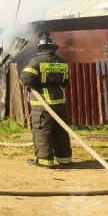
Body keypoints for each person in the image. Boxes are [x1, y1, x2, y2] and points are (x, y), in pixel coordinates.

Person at [19, 34, 72, 169]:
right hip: (59, 101)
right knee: (61, 131)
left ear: (39, 48)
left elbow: (25, 79)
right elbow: (65, 82)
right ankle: (64, 158)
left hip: (42, 103)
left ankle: (44, 161)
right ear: (53, 47)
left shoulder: (36, 62)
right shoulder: (62, 62)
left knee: (42, 130)